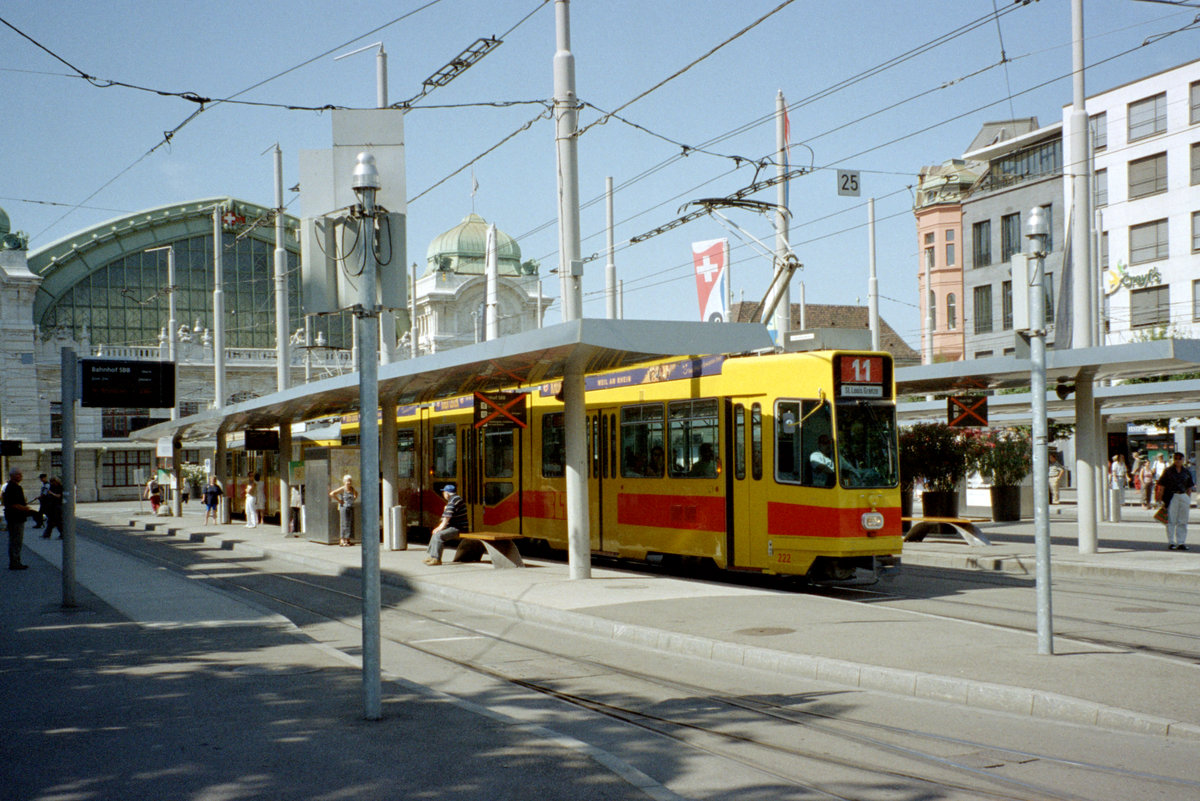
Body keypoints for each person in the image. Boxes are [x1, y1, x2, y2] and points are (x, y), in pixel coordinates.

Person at [1156, 452, 1195, 551]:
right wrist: (1160, 499)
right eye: (1176, 458)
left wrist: (1187, 497)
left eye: (1179, 458)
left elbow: (1190, 486)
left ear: (1183, 460)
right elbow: (1162, 486)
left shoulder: (1186, 472)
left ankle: (1181, 542)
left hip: (1183, 495)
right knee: (1171, 520)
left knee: (1183, 520)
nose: (1177, 460)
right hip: (1172, 496)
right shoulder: (1168, 471)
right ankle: (1171, 542)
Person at [3, 469, 41, 570]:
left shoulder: (11, 487)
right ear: (13, 476)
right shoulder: (13, 487)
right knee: (16, 540)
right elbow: (13, 504)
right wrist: (25, 508)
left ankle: (15, 561)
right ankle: (15, 562)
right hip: (16, 517)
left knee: (14, 540)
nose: (21, 476)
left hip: (14, 516)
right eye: (18, 474)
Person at [425, 484, 469, 566]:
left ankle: (436, 559)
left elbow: (447, 517)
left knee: (438, 535)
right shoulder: (456, 499)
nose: (443, 494)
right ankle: (432, 556)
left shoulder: (453, 501)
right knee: (435, 533)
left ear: (447, 494)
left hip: (458, 528)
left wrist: (440, 527)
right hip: (456, 526)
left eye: (444, 492)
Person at [329, 475, 357, 546]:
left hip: (350, 507)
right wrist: (339, 500)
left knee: (349, 523)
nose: (349, 482)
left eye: (350, 481)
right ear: (344, 482)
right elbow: (332, 494)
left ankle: (347, 539)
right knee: (343, 523)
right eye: (347, 481)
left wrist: (353, 499)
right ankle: (342, 539)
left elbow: (356, 494)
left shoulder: (352, 489)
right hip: (343, 508)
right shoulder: (342, 489)